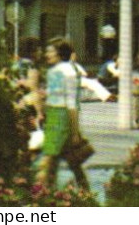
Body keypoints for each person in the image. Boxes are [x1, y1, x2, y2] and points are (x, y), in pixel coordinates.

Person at [36, 39, 90, 190]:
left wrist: (74, 131)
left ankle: (44, 192)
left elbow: (72, 104)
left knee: (50, 158)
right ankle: (84, 190)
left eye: (50, 51)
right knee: (70, 159)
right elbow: (53, 96)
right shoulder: (54, 71)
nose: (47, 54)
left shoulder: (68, 72)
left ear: (60, 53)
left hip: (61, 117)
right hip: (53, 116)